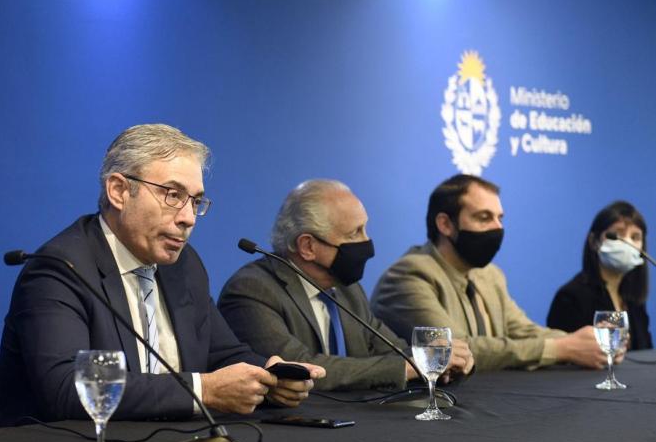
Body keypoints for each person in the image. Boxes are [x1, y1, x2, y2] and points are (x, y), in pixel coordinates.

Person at [0, 124, 324, 424]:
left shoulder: (183, 264)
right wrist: (202, 390)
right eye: (173, 195)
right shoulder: (60, 269)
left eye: (195, 201)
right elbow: (67, 389)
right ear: (119, 191)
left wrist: (268, 375)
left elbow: (221, 353)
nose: (188, 218)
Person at [219, 179, 473, 392]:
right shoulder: (251, 290)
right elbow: (299, 368)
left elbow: (392, 349)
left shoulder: (346, 288)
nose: (368, 243)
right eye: (355, 234)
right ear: (308, 246)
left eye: (365, 229)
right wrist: (405, 368)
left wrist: (434, 359)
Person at [371, 174, 608, 371]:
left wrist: (588, 343)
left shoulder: (489, 275)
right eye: (484, 217)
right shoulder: (408, 276)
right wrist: (562, 348)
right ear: (445, 224)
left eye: (499, 218)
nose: (498, 227)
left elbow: (523, 331)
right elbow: (458, 350)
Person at [548, 201, 652, 350]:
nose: (627, 243)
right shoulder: (571, 297)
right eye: (617, 235)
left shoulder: (634, 300)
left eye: (635, 237)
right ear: (594, 241)